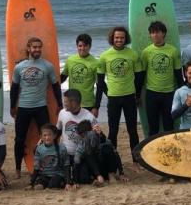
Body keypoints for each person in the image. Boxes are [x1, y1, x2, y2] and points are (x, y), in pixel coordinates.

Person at [10, 37, 63, 179]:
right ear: (28, 48)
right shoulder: (19, 67)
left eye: (39, 47)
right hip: (23, 107)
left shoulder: (47, 66)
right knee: (20, 139)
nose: (37, 50)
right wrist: (12, 107)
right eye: (34, 47)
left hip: (41, 107)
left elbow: (56, 86)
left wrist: (60, 104)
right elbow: (14, 89)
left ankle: (53, 164)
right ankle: (17, 168)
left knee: (49, 137)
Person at [97, 26, 144, 159]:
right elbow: (100, 81)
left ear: (126, 39)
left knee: (133, 130)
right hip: (113, 99)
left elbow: (139, 76)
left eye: (122, 37)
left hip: (130, 97)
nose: (119, 40)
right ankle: (113, 162)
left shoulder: (132, 54)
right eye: (117, 37)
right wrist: (108, 93)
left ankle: (136, 161)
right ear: (112, 38)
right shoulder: (104, 56)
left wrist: (137, 95)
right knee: (113, 131)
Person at [141, 21, 182, 137]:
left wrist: (183, 92)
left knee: (169, 127)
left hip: (169, 94)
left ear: (163, 33)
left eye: (158, 32)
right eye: (152, 33)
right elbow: (142, 75)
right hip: (151, 94)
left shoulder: (173, 51)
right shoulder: (146, 52)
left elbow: (178, 74)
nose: (155, 35)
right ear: (150, 35)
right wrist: (137, 94)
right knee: (153, 128)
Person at [72, 119, 128, 185]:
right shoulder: (82, 144)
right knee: (86, 156)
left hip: (105, 167)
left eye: (83, 135)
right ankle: (95, 179)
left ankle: (111, 175)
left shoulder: (102, 139)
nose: (84, 138)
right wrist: (76, 182)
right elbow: (76, 161)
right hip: (94, 170)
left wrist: (121, 173)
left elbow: (115, 154)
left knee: (107, 148)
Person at [60, 34, 102, 118]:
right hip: (71, 101)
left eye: (85, 46)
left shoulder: (95, 63)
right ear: (77, 46)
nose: (82, 48)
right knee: (72, 128)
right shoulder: (70, 60)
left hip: (88, 103)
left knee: (87, 130)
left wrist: (96, 107)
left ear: (90, 46)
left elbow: (100, 86)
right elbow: (62, 78)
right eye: (80, 46)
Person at [57, 89, 99, 160]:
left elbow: (97, 138)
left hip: (83, 155)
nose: (64, 104)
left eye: (65, 101)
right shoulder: (62, 113)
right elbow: (58, 131)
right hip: (65, 154)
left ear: (74, 103)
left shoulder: (89, 117)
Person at [29, 124, 73, 190]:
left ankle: (55, 185)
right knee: (39, 187)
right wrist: (31, 183)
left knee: (52, 186)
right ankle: (43, 185)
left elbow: (66, 165)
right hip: (44, 175)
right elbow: (36, 167)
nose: (47, 137)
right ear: (41, 137)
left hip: (58, 175)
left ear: (54, 136)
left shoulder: (61, 148)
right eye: (45, 135)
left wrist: (68, 183)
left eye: (49, 135)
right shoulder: (39, 149)